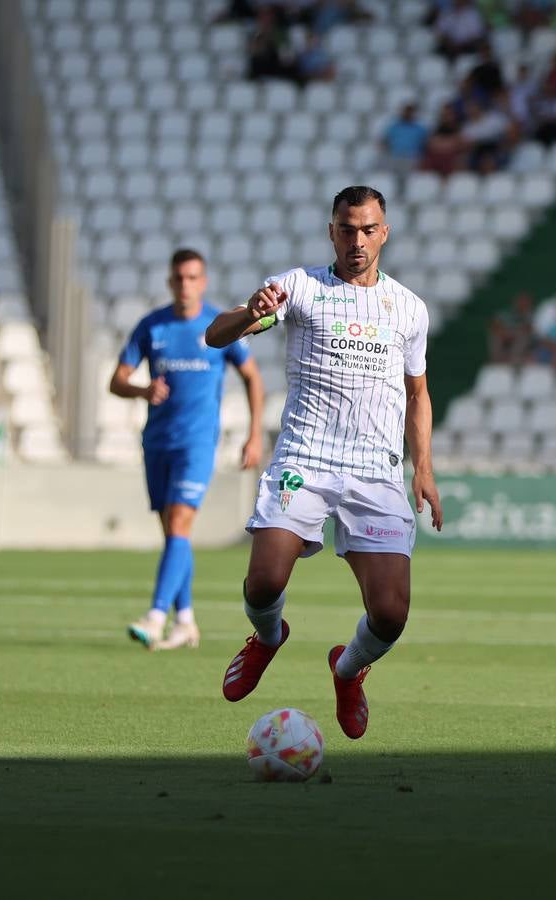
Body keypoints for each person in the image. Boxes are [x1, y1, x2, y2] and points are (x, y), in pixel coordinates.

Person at [204, 185, 442, 740]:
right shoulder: (298, 287)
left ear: (384, 232)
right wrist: (248, 316)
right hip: (305, 460)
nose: (357, 240)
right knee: (263, 582)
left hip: (375, 472)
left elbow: (418, 394)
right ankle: (267, 638)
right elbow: (215, 336)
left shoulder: (407, 307)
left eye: (368, 229)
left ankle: (348, 668)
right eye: (346, 229)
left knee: (390, 614)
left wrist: (423, 468)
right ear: (331, 230)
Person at [112, 249, 265, 651]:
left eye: (193, 277)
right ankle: (186, 621)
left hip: (197, 443)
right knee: (173, 534)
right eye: (179, 278)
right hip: (157, 442)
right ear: (170, 282)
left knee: (179, 525)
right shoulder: (153, 326)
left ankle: (156, 615)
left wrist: (254, 434)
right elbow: (117, 380)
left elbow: (252, 376)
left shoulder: (217, 326)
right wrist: (142, 389)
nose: (186, 285)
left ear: (204, 281)